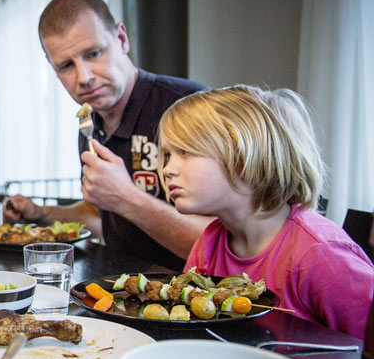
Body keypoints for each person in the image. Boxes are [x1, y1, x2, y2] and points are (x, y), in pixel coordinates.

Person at [3, 0, 210, 271]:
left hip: (197, 298)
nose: (84, 77)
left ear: (122, 39)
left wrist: (127, 198)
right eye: (66, 66)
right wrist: (41, 213)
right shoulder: (90, 124)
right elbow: (104, 218)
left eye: (94, 53)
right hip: (126, 291)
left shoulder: (187, 106)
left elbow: (227, 243)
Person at [159, 85, 374, 338]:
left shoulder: (320, 253)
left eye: (184, 152)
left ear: (245, 157)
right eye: (167, 155)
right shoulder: (211, 241)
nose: (167, 169)